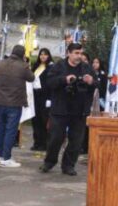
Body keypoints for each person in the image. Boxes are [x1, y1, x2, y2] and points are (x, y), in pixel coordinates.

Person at [40, 42, 95, 176]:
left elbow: (98, 85)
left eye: (81, 53)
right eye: (76, 53)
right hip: (60, 109)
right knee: (56, 137)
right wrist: (65, 79)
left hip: (79, 110)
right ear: (68, 53)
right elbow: (49, 82)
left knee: (76, 140)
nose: (79, 56)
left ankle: (68, 165)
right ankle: (49, 161)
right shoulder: (58, 66)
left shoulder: (86, 68)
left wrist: (91, 81)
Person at [0, 45, 35, 168]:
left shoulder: (0, 63)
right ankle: (7, 158)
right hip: (14, 102)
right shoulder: (23, 66)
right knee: (11, 130)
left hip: (0, 101)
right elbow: (31, 78)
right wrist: (26, 64)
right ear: (22, 55)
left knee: (1, 129)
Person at [30, 48, 53, 151]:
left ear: (48, 56)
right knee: (35, 120)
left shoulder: (51, 67)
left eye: (45, 55)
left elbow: (51, 84)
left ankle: (45, 143)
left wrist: (49, 98)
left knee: (44, 120)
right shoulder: (36, 66)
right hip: (35, 95)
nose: (43, 56)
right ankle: (37, 142)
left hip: (45, 96)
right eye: (41, 54)